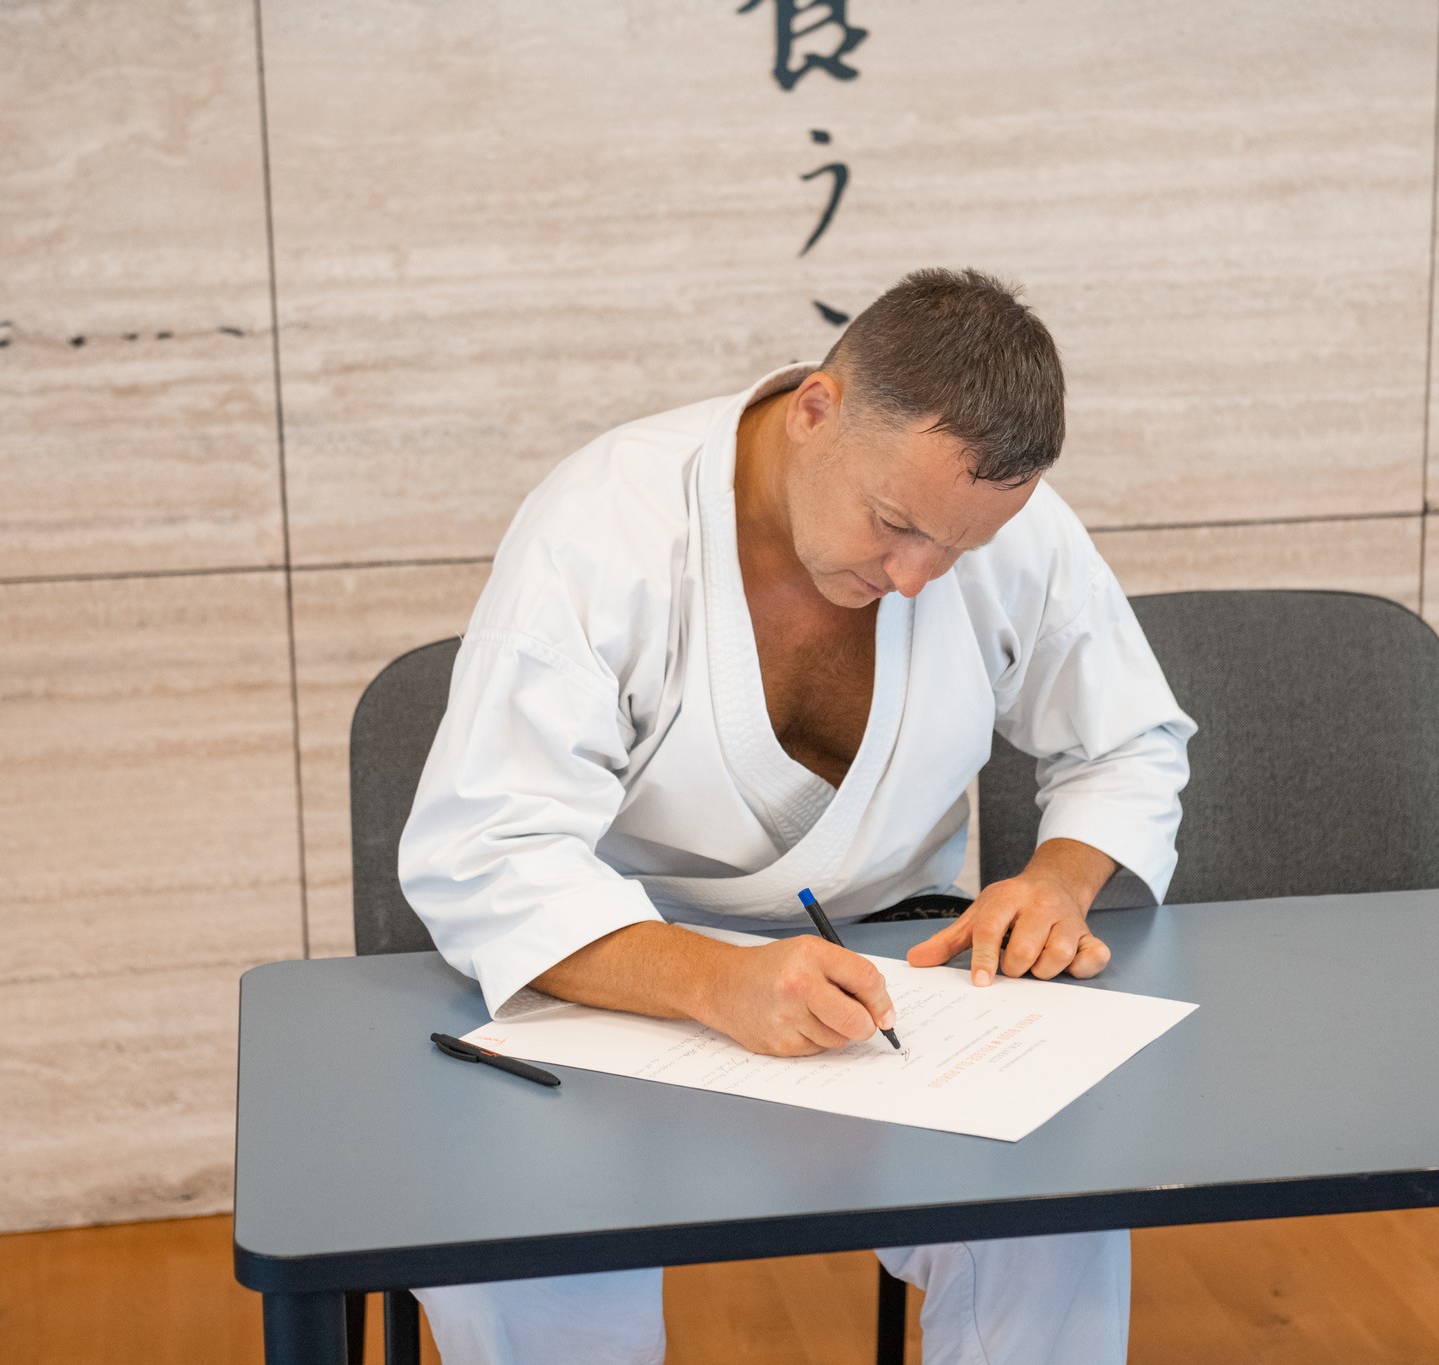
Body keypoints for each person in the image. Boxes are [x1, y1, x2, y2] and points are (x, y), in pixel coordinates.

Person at [398, 266, 1196, 1365]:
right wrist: (713, 979)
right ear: (816, 409)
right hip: (619, 976)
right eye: (893, 525)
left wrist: (1059, 877)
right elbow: (485, 851)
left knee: (1056, 1220)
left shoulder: (992, 518)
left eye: (955, 550)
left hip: (898, 979)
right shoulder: (603, 527)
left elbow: (1127, 739)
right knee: (523, 1263)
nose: (916, 577)